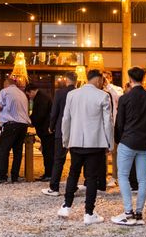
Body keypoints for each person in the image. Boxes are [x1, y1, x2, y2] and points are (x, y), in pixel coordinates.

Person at [111, 67, 146, 226]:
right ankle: (139, 214)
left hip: (127, 141)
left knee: (122, 176)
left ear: (130, 79)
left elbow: (119, 124)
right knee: (143, 179)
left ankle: (128, 212)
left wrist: (118, 140)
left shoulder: (124, 99)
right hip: (145, 144)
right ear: (144, 78)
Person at [57, 69, 112, 225]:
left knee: (73, 173)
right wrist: (109, 143)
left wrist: (66, 140)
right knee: (91, 178)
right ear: (98, 80)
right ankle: (89, 213)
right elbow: (108, 122)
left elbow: (65, 119)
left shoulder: (72, 95)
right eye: (102, 81)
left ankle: (66, 206)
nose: (102, 83)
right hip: (95, 143)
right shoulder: (102, 96)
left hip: (75, 141)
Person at [42, 72, 77, 196]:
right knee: (76, 160)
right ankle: (72, 187)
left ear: (66, 80)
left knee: (58, 159)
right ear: (76, 81)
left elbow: (54, 112)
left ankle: (54, 187)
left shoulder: (60, 93)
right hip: (76, 130)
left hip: (61, 129)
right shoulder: (79, 93)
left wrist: (51, 127)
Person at [0, 78, 31, 184]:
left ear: (6, 83)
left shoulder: (4, 91)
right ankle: (15, 177)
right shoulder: (22, 94)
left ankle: (3, 177)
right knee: (17, 152)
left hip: (11, 125)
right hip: (23, 125)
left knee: (4, 151)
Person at [25, 83, 53, 182]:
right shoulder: (42, 96)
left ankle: (49, 174)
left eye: (28, 94)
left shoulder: (41, 98)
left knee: (48, 152)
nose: (29, 97)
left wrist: (30, 121)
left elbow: (40, 115)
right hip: (46, 130)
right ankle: (48, 173)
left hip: (46, 130)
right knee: (47, 152)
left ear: (32, 91)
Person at [102, 71, 122, 187]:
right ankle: (102, 175)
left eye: (106, 77)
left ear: (110, 78)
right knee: (102, 152)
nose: (104, 79)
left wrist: (108, 85)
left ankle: (115, 177)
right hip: (101, 126)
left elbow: (119, 98)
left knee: (115, 152)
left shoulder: (117, 89)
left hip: (114, 124)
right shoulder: (98, 90)